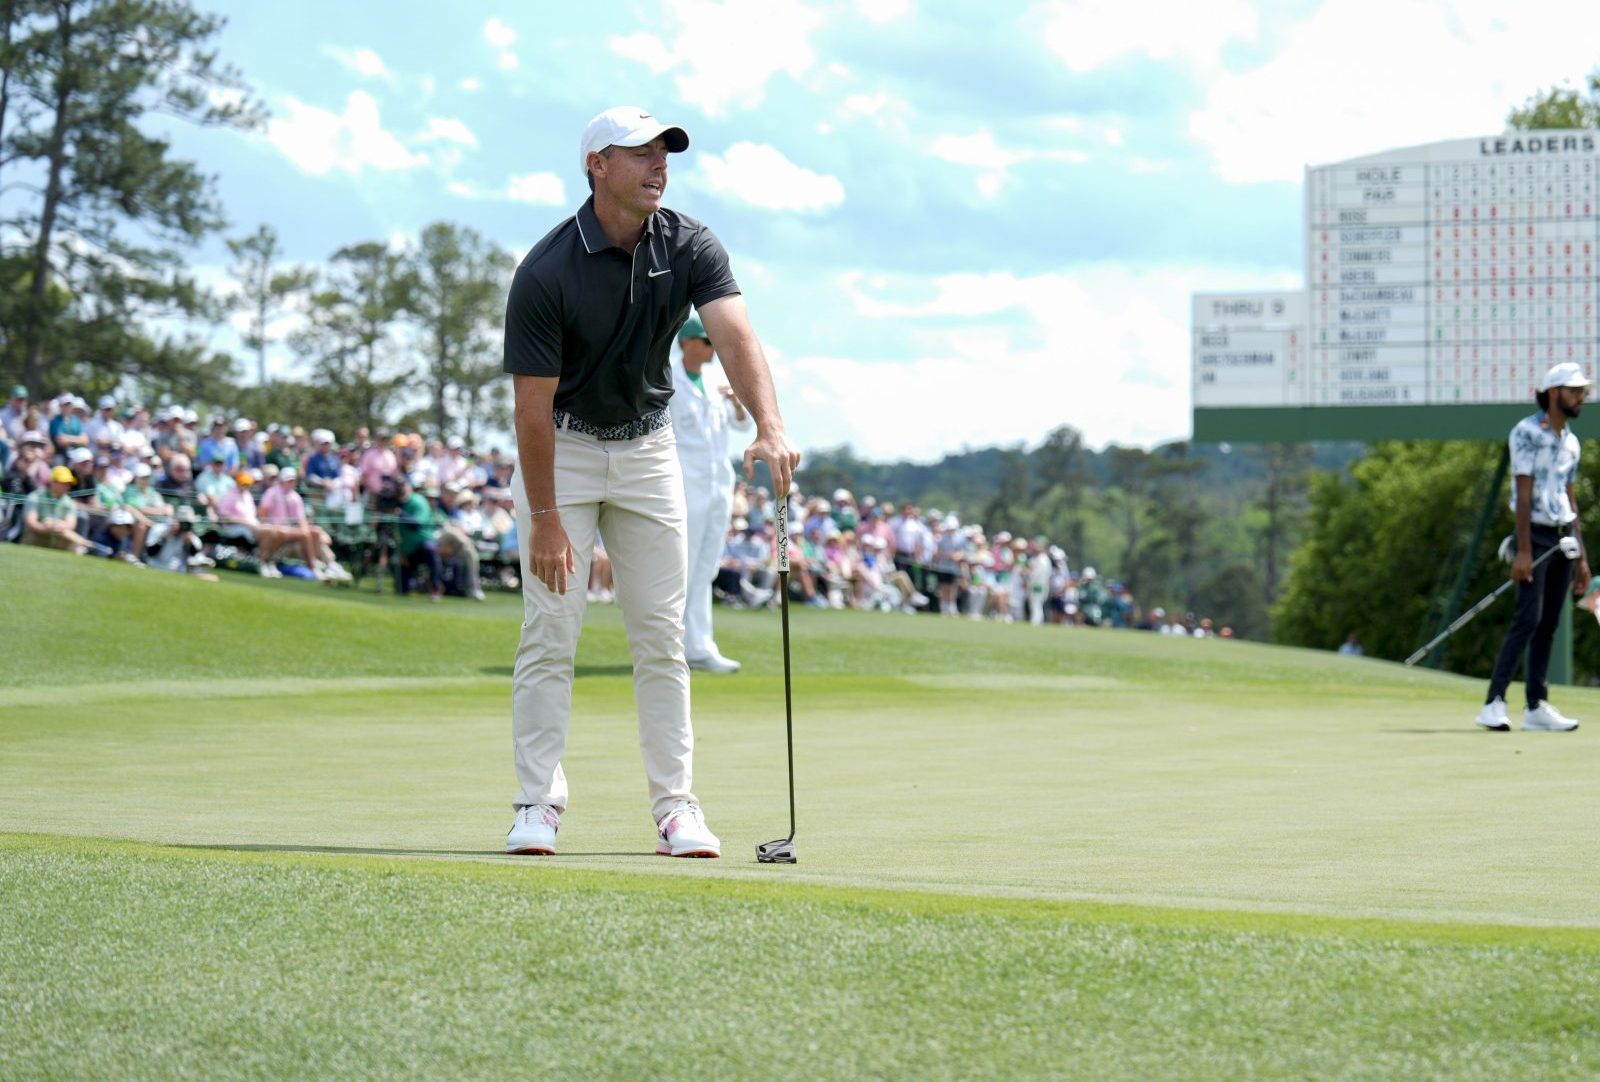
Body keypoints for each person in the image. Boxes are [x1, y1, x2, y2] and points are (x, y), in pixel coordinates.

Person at [500, 105, 799, 859]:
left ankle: (677, 809)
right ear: (596, 165)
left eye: (664, 151)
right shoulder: (546, 270)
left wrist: (769, 424)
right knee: (550, 633)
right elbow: (531, 411)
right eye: (638, 153)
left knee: (662, 637)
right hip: (561, 454)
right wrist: (543, 517)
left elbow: (733, 332)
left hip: (646, 448)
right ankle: (537, 803)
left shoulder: (689, 242)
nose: (658, 164)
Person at [1477, 362, 1593, 732]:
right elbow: (1523, 495)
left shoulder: (1571, 441)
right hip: (1535, 535)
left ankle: (1536, 706)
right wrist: (1523, 550)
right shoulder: (1526, 432)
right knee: (1526, 619)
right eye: (1574, 391)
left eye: (1583, 392)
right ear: (1554, 392)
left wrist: (1582, 558)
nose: (1581, 398)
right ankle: (1494, 702)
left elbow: (1570, 499)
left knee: (1548, 624)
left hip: (1563, 537)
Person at [667, 314, 752, 672]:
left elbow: (742, 423)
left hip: (718, 483)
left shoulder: (717, 379)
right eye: (706, 341)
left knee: (706, 566)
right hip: (685, 483)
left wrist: (736, 402)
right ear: (687, 342)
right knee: (681, 567)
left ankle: (699, 644)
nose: (713, 347)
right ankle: (673, 644)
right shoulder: (667, 377)